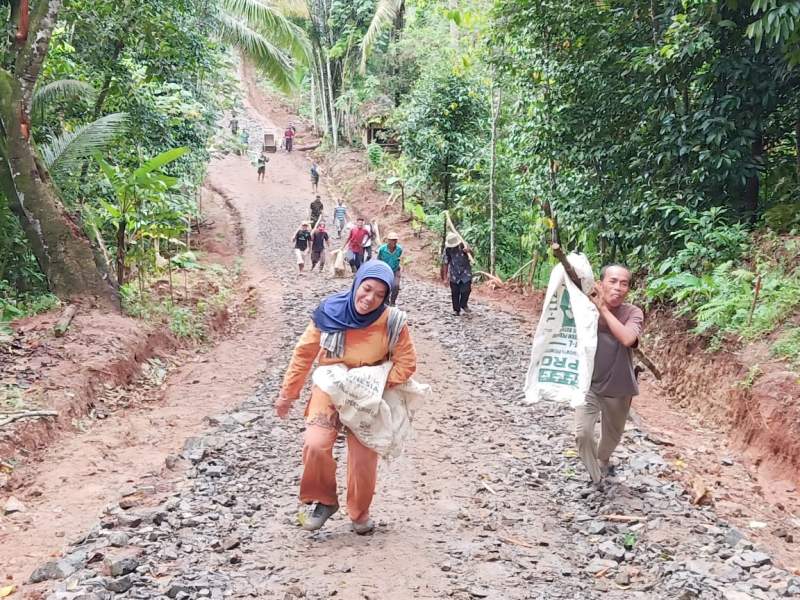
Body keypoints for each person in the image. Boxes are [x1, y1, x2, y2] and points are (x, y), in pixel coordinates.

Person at [276, 262, 417, 534]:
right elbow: (304, 354)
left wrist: (375, 381)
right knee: (315, 443)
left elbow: (407, 362)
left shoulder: (393, 322)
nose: (370, 299)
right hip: (330, 386)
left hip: (368, 395)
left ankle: (359, 513)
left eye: (379, 295)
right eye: (366, 289)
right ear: (357, 284)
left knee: (364, 457)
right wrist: (287, 394)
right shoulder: (330, 312)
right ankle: (324, 500)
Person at [575, 264, 644, 487]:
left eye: (624, 283)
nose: (618, 287)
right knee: (583, 434)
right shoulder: (585, 308)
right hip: (589, 385)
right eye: (613, 281)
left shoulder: (633, 312)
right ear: (600, 284)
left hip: (618, 387)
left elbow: (628, 340)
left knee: (611, 439)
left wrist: (603, 309)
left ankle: (603, 459)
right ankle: (596, 478)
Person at [441, 233, 473, 316]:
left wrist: (469, 251)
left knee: (466, 290)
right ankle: (456, 310)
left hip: (466, 272)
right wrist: (445, 277)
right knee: (455, 292)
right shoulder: (447, 249)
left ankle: (463, 304)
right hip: (454, 273)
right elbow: (445, 262)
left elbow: (472, 255)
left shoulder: (464, 245)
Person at [377, 232, 403, 306]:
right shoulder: (382, 249)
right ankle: (386, 302)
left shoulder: (399, 249)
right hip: (385, 270)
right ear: (388, 241)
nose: (394, 242)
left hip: (395, 270)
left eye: (395, 240)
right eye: (392, 240)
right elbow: (379, 259)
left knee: (396, 286)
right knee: (386, 286)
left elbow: (400, 257)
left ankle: (393, 302)